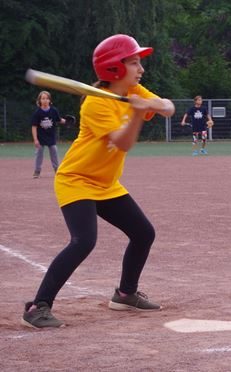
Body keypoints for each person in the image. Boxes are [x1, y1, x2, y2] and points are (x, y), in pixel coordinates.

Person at [21, 34, 175, 329]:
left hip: (106, 183)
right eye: (133, 63)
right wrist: (136, 114)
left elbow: (164, 105)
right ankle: (37, 307)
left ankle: (125, 294)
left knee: (143, 233)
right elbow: (124, 143)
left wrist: (162, 104)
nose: (140, 69)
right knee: (84, 241)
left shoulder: (133, 88)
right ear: (114, 69)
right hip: (76, 180)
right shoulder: (95, 104)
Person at [31, 91, 66, 178]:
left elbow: (58, 119)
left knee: (54, 151)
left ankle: (57, 170)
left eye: (47, 98)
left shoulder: (54, 111)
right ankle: (37, 171)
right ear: (40, 100)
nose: (45, 100)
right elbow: (34, 127)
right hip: (40, 137)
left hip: (51, 136)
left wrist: (65, 121)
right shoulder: (37, 113)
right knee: (39, 153)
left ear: (50, 100)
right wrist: (35, 139)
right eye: (43, 98)